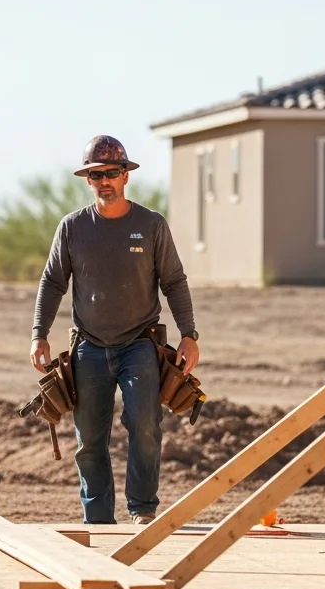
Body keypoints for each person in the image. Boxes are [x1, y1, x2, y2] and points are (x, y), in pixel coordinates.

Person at [29, 134, 199, 525]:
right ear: (87, 180)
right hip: (88, 346)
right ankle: (99, 520)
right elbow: (52, 282)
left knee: (145, 424)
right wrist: (39, 333)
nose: (104, 180)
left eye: (112, 172)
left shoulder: (151, 225)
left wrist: (189, 334)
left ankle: (143, 510)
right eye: (96, 174)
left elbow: (174, 281)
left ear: (126, 176)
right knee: (89, 441)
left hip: (139, 344)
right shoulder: (72, 228)